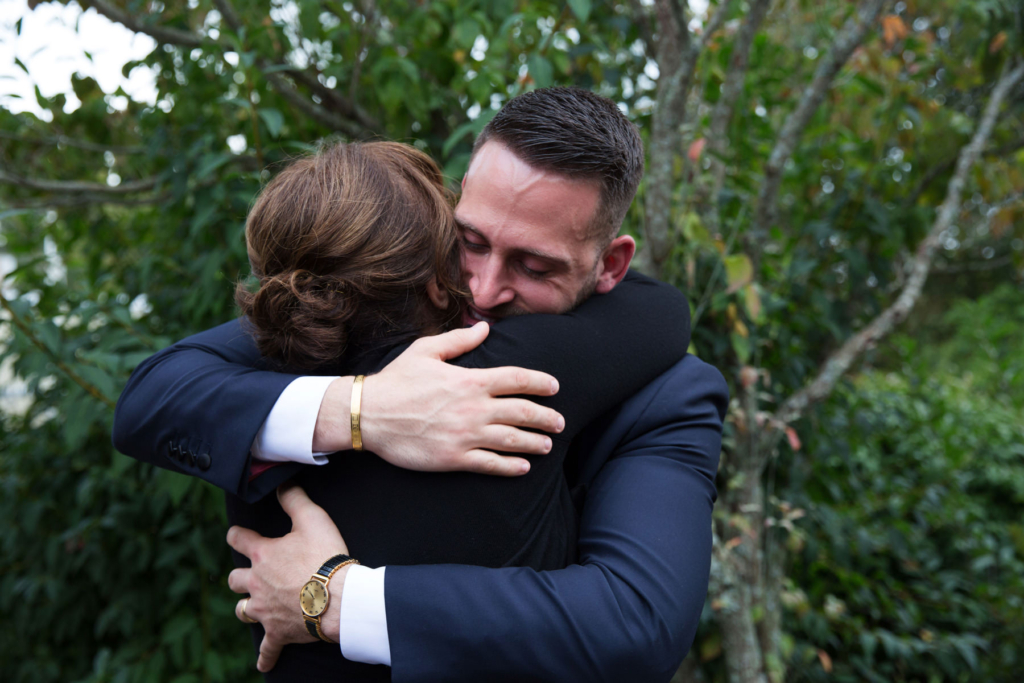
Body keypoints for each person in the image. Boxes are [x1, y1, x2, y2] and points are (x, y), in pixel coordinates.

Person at [113, 87, 728, 682]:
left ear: (612, 265)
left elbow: (637, 624)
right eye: (471, 242)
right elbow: (155, 398)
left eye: (533, 266)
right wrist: (363, 410)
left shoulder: (667, 395)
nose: (483, 291)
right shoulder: (365, 307)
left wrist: (335, 598)